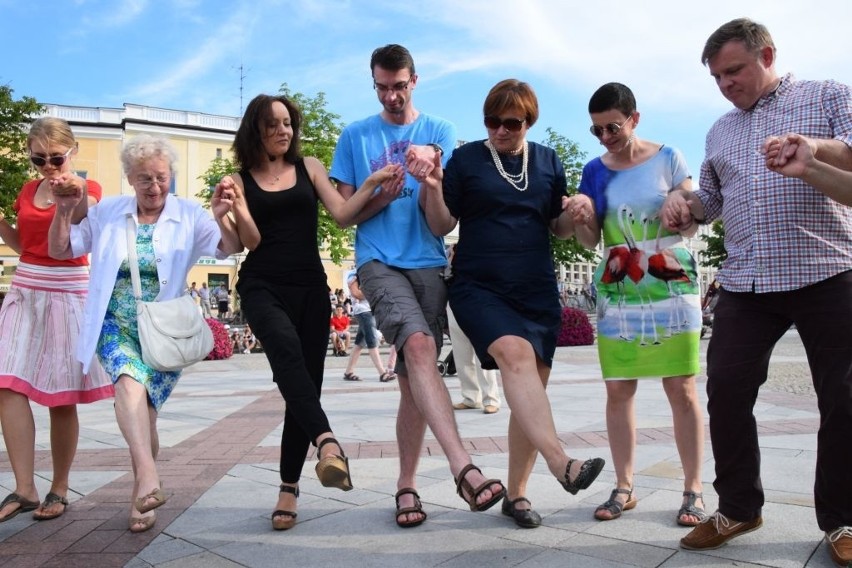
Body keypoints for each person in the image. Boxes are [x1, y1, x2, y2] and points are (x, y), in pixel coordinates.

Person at [661, 18, 852, 565]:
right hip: (747, 279)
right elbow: (710, 203)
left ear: (766, 54)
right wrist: (685, 208)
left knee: (842, 398)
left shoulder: (828, 95)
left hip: (828, 269)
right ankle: (739, 506)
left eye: (734, 71)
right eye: (717, 77)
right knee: (724, 388)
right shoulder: (719, 130)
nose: (725, 85)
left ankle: (842, 519)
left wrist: (811, 152)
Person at [330, 44, 506, 528]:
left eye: (399, 85)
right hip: (378, 261)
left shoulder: (440, 132)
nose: (390, 95)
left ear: (415, 80)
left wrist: (431, 182)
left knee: (414, 380)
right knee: (421, 344)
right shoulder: (355, 136)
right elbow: (346, 217)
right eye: (382, 86)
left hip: (428, 263)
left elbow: (440, 225)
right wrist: (379, 194)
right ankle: (462, 468)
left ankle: (406, 486)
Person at [421, 78, 606, 529]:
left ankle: (517, 497)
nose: (500, 131)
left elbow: (557, 228)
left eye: (511, 123)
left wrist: (577, 211)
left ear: (528, 122)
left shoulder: (546, 160)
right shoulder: (466, 160)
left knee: (530, 391)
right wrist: (431, 186)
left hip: (536, 288)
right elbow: (441, 224)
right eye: (492, 121)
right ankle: (562, 463)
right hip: (479, 285)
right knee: (515, 357)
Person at [217, 93, 403, 531]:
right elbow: (242, 245)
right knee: (284, 352)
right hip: (262, 284)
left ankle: (289, 488)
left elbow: (341, 215)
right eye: (272, 124)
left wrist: (373, 184)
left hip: (310, 289)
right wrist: (231, 211)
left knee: (304, 386)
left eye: (287, 123)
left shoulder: (310, 167)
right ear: (255, 130)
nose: (282, 131)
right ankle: (327, 442)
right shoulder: (237, 180)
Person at [47, 134, 243, 533]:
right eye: (144, 179)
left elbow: (229, 248)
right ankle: (148, 481)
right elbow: (62, 249)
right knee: (128, 386)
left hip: (163, 332)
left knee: (145, 416)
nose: (154, 187)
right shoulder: (108, 212)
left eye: (161, 178)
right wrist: (64, 211)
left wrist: (223, 213)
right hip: (114, 324)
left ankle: (143, 485)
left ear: (170, 176)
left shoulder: (189, 214)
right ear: (130, 179)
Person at [567, 82, 705, 526]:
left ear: (635, 118)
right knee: (618, 388)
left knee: (680, 386)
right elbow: (591, 240)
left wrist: (678, 199)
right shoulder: (594, 170)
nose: (605, 137)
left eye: (613, 127)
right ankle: (624, 487)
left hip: (670, 276)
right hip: (618, 278)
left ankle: (694, 489)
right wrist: (582, 219)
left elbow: (690, 217)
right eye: (596, 130)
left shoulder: (670, 158)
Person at [0, 117, 114, 524]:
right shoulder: (28, 190)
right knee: (7, 383)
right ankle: (25, 487)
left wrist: (72, 197)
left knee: (61, 397)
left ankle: (60, 487)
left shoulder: (88, 187)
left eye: (55, 157)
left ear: (72, 152)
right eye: (38, 159)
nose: (47, 167)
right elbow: (22, 242)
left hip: (68, 292)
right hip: (25, 289)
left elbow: (88, 213)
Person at [444, 245, 501, 414]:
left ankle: (491, 398)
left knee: (482, 354)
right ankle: (470, 397)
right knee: (461, 355)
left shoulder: (479, 247)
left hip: (476, 302)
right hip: (454, 302)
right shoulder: (449, 251)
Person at [342, 272, 397, 382]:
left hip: (369, 310)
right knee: (372, 340)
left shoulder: (368, 273)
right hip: (363, 311)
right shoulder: (353, 275)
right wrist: (374, 292)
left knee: (359, 343)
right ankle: (382, 373)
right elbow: (356, 294)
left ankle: (349, 372)